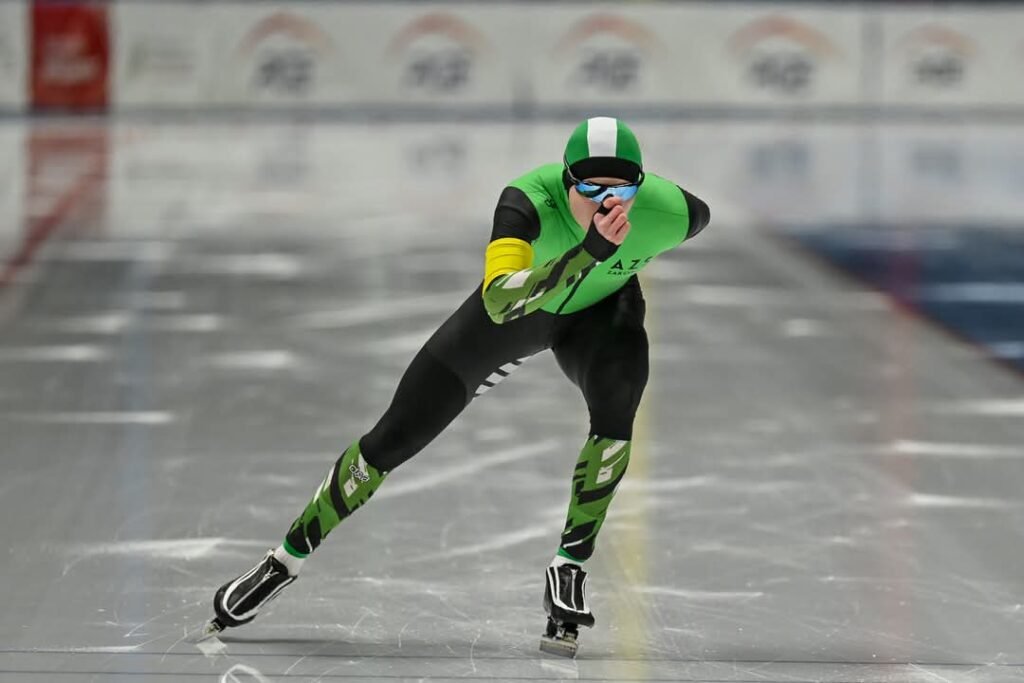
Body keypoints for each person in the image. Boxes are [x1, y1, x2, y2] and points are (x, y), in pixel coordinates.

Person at [205, 116, 710, 657]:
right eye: (589, 189)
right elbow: (500, 301)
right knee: (393, 438)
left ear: (641, 185)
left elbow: (691, 217)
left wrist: (614, 270)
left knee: (620, 399)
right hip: (519, 314)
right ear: (565, 181)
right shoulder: (526, 202)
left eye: (622, 190)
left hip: (599, 317)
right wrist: (589, 253)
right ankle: (284, 560)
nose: (607, 203)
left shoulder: (673, 211)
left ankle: (570, 566)